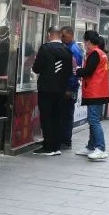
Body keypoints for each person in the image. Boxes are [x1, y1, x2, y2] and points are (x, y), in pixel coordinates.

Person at [31, 26, 74, 156]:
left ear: (49, 34)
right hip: (61, 89)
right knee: (57, 117)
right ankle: (56, 146)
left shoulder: (45, 48)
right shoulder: (67, 51)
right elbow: (68, 72)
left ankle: (48, 146)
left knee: (46, 117)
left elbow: (36, 68)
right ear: (60, 35)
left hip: (46, 88)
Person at [75, 31, 109, 161]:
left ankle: (100, 148)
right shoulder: (101, 53)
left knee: (94, 120)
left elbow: (88, 71)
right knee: (93, 120)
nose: (84, 44)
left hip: (95, 92)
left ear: (89, 41)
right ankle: (91, 146)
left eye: (84, 41)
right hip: (98, 91)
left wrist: (76, 70)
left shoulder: (95, 53)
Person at [60, 26, 84, 149]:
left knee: (67, 113)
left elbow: (74, 72)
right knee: (64, 113)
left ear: (70, 35)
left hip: (70, 88)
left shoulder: (73, 50)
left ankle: (66, 140)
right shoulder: (68, 48)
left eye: (63, 35)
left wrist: (70, 88)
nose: (61, 38)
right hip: (68, 86)